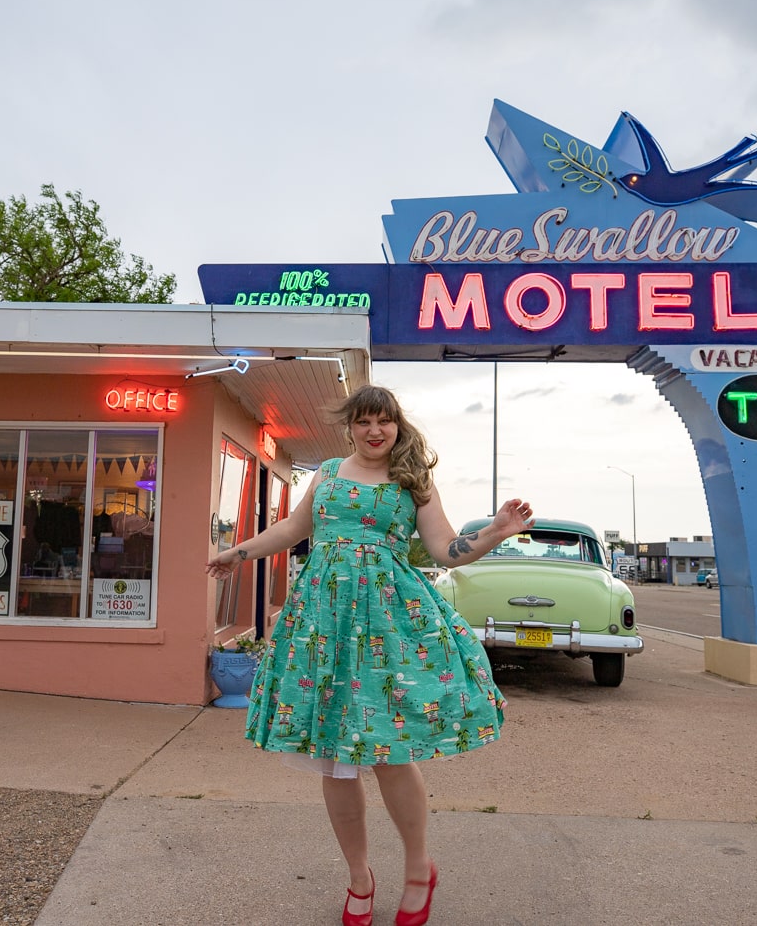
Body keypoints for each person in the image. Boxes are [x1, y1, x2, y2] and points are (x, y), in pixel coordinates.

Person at [207, 384, 532, 926]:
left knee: (389, 753)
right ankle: (359, 878)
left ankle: (417, 869)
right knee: (335, 761)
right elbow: (293, 528)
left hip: (390, 624)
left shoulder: (413, 480)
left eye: (384, 422)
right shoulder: (329, 474)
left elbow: (444, 550)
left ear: (397, 426)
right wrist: (236, 554)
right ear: (350, 427)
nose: (374, 431)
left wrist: (494, 533)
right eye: (364, 422)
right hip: (323, 625)